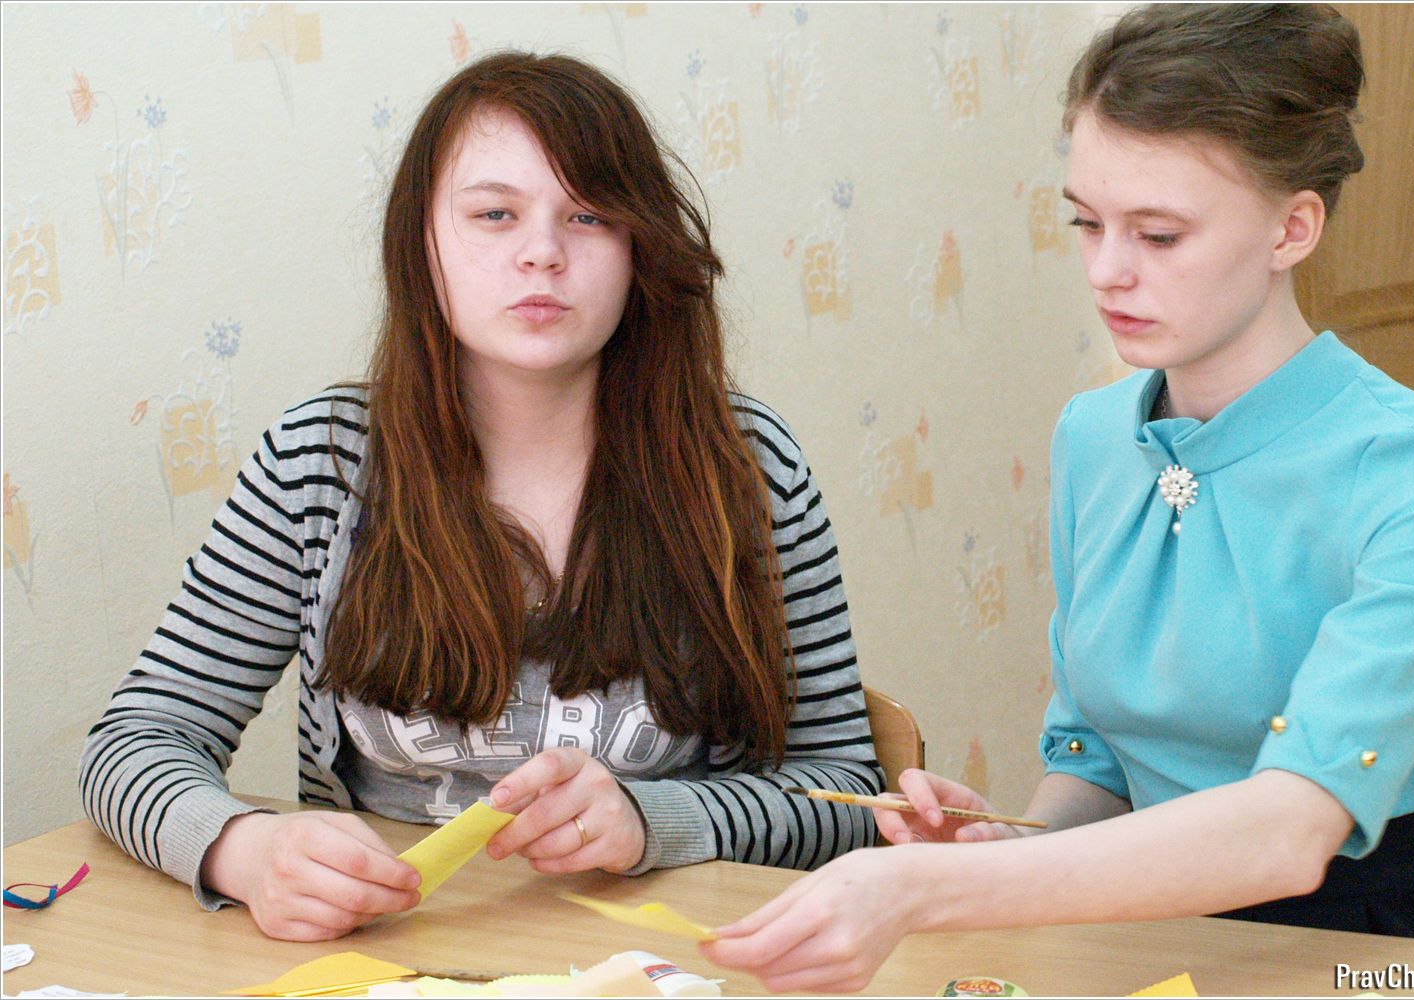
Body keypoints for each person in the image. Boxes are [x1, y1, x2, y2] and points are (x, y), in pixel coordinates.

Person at [703, 4, 1414, 991]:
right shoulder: (1091, 435)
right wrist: (999, 845)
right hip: (1137, 936)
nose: (1107, 271)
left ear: (1293, 228)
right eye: (1087, 223)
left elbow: (1293, 830)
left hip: (1375, 950)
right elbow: (1098, 764)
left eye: (1159, 234)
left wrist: (926, 888)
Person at [79, 51, 881, 943]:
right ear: (420, 244)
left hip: (663, 962)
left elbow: (846, 793)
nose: (542, 252)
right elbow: (135, 740)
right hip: (387, 956)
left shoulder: (746, 466)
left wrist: (656, 821)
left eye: (589, 214)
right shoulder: (323, 460)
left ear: (640, 248)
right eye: (494, 214)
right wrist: (246, 848)